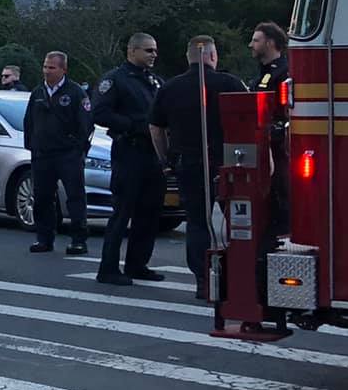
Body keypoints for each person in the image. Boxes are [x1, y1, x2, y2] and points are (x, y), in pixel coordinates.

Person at [150, 36, 249, 298]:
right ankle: (239, 278)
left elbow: (155, 127)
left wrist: (165, 159)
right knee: (237, 221)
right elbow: (251, 121)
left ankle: (204, 281)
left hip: (189, 163)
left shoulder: (169, 88)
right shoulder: (231, 84)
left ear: (188, 57)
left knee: (197, 223)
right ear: (213, 56)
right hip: (228, 163)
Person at [92, 31, 166, 287]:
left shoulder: (154, 81)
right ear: (132, 51)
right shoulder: (116, 80)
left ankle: (137, 263)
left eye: (155, 50)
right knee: (122, 212)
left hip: (152, 154)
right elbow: (100, 113)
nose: (154, 54)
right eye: (148, 50)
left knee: (150, 212)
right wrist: (133, 125)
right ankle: (108, 268)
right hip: (129, 151)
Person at [23, 50, 92, 257]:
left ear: (63, 69)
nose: (47, 71)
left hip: (68, 155)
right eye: (45, 67)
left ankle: (78, 240)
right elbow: (29, 122)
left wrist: (77, 147)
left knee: (75, 197)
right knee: (43, 198)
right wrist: (32, 146)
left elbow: (86, 123)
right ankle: (44, 238)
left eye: (51, 68)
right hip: (43, 154)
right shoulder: (37, 93)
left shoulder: (75, 92)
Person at [251, 20, 291, 236]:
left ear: (269, 43)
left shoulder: (284, 74)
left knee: (280, 195)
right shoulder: (262, 74)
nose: (251, 45)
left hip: (278, 148)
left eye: (256, 40)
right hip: (263, 146)